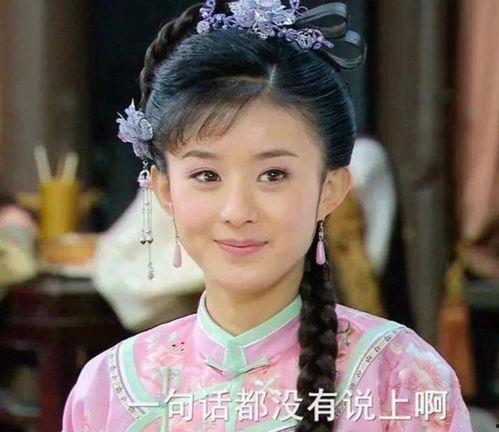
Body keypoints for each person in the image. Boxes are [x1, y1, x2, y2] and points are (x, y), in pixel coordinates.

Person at [61, 1, 473, 430]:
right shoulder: (109, 387)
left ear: (330, 189)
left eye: (273, 174)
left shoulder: (401, 377)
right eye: (206, 175)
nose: (237, 211)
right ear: (165, 190)